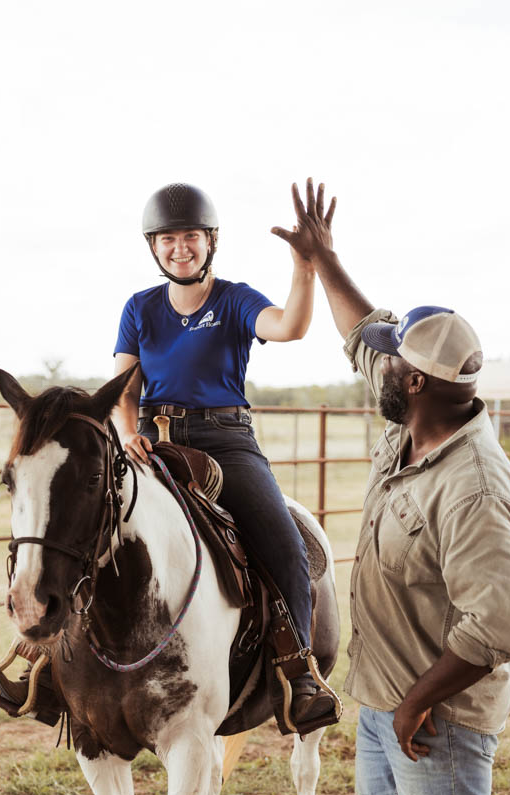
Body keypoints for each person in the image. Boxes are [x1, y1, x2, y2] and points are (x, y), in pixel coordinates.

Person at [278, 181, 510, 795]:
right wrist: (323, 258)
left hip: (436, 717)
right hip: (386, 701)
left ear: (417, 384)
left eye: (390, 368)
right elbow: (365, 332)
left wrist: (420, 701)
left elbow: (494, 628)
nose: (373, 370)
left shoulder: (471, 486)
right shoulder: (417, 425)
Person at [111, 182, 339, 733]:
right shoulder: (139, 308)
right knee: (83, 520)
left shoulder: (235, 300)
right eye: (167, 238)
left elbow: (290, 327)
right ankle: (45, 658)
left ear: (210, 241)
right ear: (153, 246)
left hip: (225, 442)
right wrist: (125, 435)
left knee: (282, 540)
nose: (179, 247)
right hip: (152, 442)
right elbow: (123, 390)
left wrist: (304, 268)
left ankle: (298, 668)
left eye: (190, 236)